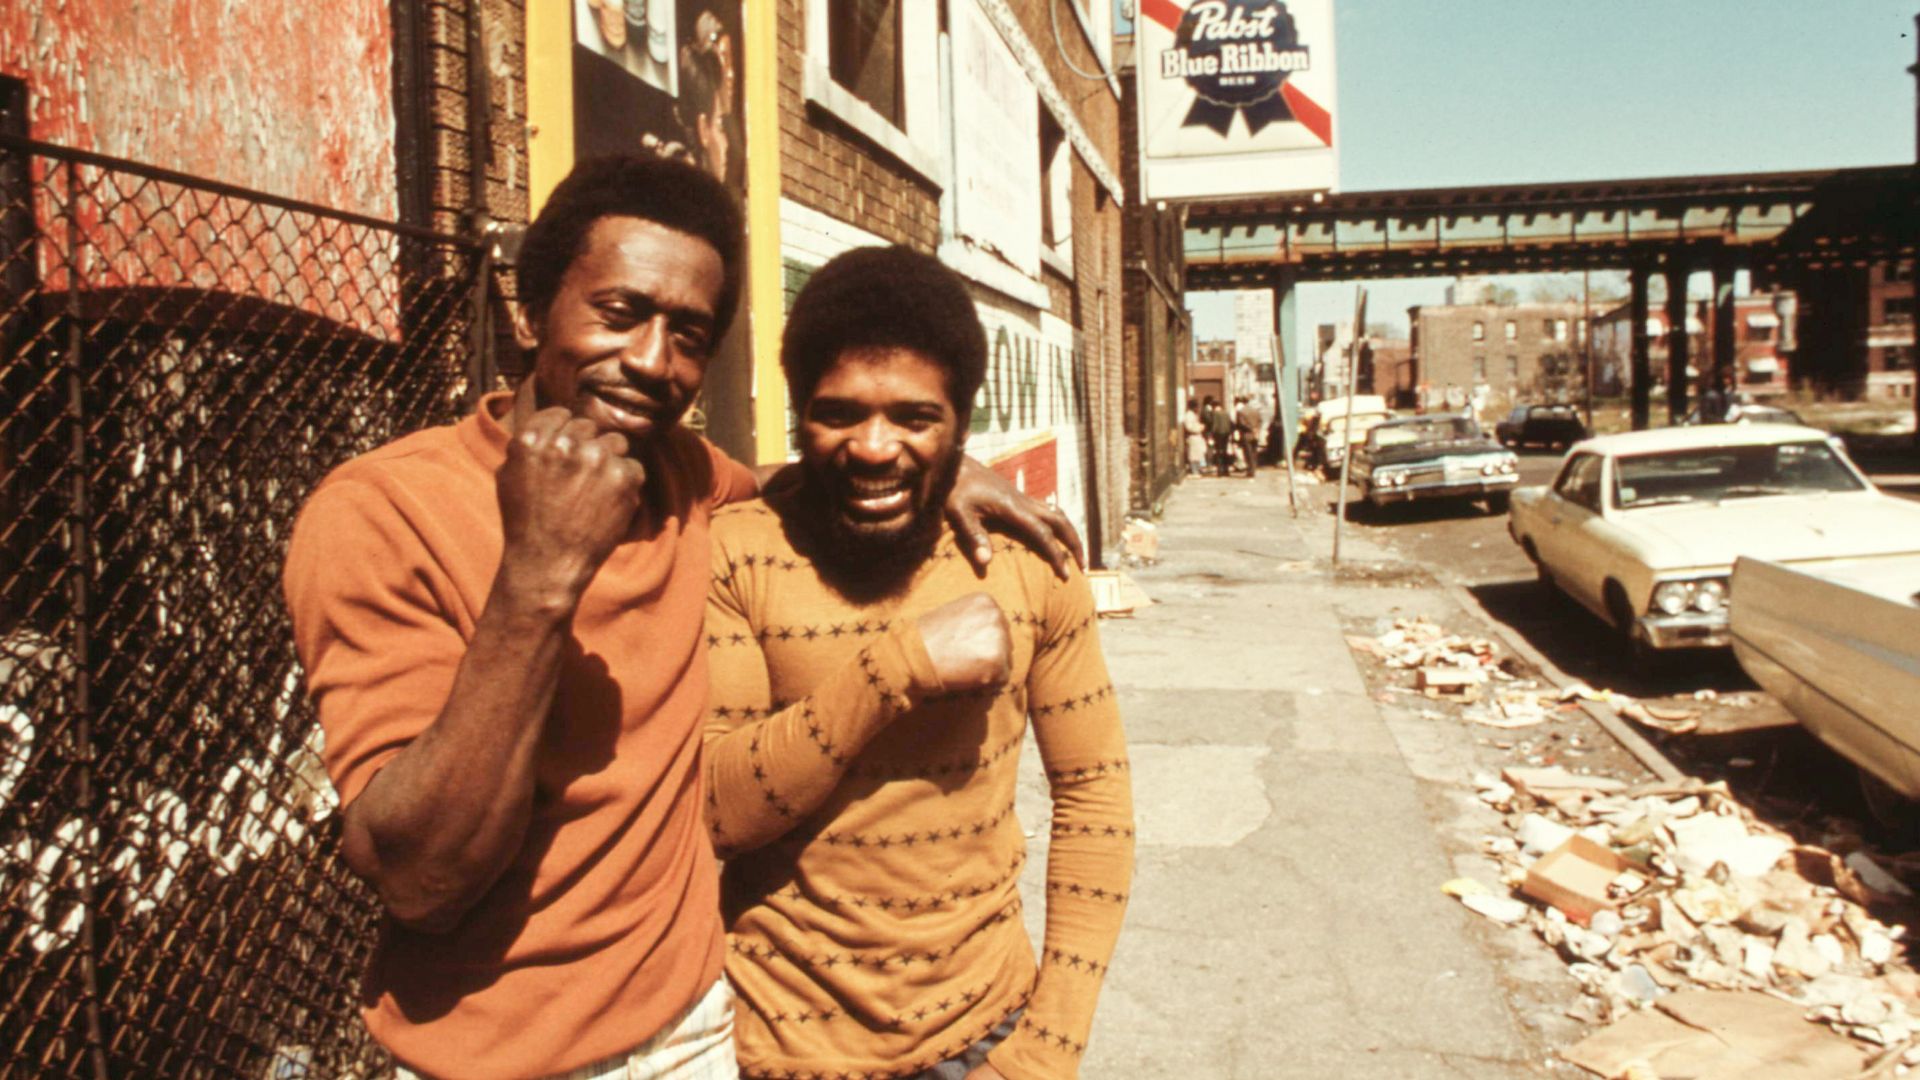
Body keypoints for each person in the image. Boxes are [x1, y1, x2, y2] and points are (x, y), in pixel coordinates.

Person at [282, 155, 1080, 1080]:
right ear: (530, 312)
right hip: (492, 1057)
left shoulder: (686, 479)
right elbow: (421, 880)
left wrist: (939, 467)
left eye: (688, 334)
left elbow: (807, 485)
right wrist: (538, 577)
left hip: (698, 1027)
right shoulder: (384, 512)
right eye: (619, 313)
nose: (652, 361)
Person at [703, 246, 1134, 1080]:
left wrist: (1048, 1049)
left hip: (982, 1035)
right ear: (798, 413)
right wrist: (892, 671)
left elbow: (1095, 798)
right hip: (770, 1048)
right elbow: (717, 813)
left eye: (913, 418)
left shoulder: (1028, 565)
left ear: (961, 425)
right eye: (838, 414)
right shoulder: (736, 553)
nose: (874, 447)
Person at [1234, 395, 1263, 478]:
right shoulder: (1255, 411)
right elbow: (1260, 421)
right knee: (1254, 452)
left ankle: (1250, 470)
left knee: (1248, 453)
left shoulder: (1241, 412)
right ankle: (1253, 469)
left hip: (1246, 434)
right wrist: (1256, 429)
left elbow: (1241, 424)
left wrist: (1250, 428)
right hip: (1255, 434)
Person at [1205, 395, 1234, 477]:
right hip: (1226, 434)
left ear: (1214, 406)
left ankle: (1220, 471)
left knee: (1218, 453)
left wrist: (1211, 434)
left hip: (1218, 435)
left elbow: (1214, 425)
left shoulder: (1215, 414)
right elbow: (1231, 424)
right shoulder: (1226, 413)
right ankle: (1226, 470)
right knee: (1225, 452)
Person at [1182, 399, 1208, 476]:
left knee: (1200, 454)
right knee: (1194, 455)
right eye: (1197, 407)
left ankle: (1199, 468)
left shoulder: (1193, 415)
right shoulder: (1189, 415)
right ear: (1193, 407)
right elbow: (1189, 427)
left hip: (1197, 437)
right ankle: (1194, 470)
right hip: (1193, 437)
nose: (1198, 409)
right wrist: (1200, 428)